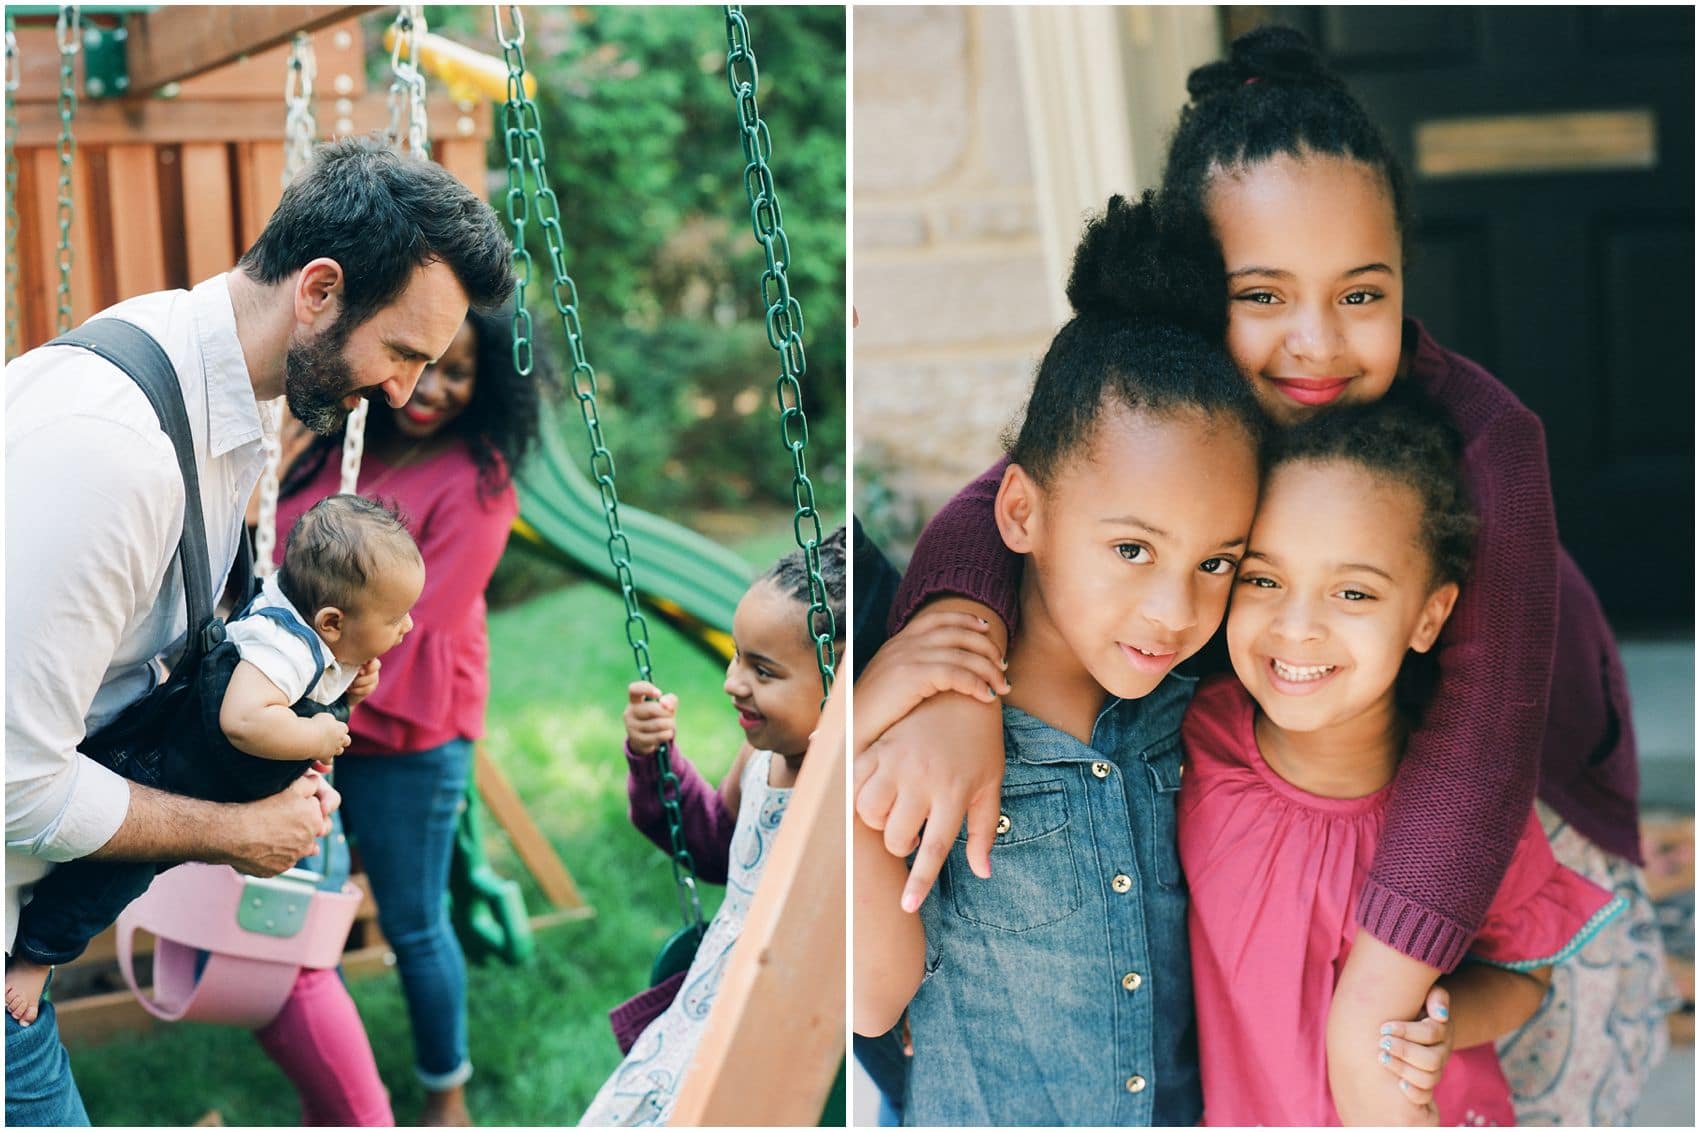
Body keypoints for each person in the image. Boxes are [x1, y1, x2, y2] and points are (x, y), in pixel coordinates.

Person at [855, 26, 1670, 1124]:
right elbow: (1015, 495)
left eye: (1359, 294)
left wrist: (1373, 998)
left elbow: (1479, 737)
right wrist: (950, 652)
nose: (1314, 343)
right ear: (1200, 291)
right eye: (1263, 294)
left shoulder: (1486, 439)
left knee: (1485, 1054)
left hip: (1502, 763)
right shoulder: (1182, 397)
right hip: (1296, 755)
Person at [5, 134, 512, 1127]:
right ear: (319, 291)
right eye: (403, 352)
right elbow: (13, 781)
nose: (406, 392)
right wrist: (234, 831)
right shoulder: (117, 452)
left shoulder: (205, 392)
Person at [854, 196, 1267, 1125]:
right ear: (1021, 515)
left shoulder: (1196, 715)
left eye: (1216, 563)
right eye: (1132, 550)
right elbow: (871, 998)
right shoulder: (926, 742)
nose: (1176, 609)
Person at [1180, 391, 1623, 1125]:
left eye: (1352, 592)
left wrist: (1445, 1025)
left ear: (1428, 617)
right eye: (1263, 579)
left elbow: (1522, 972)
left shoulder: (1460, 815)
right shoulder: (1194, 743)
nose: (1297, 627)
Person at [268, 303, 548, 1125]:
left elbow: (415, 629)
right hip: (299, 717)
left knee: (413, 920)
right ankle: (331, 1085)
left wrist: (289, 702)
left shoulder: (478, 481)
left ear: (489, 386)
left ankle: (445, 1097)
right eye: (428, 364)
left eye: (463, 372)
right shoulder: (339, 446)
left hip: (403, 733)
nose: (437, 388)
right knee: (293, 911)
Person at [5, 495, 425, 1027]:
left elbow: (307, 692)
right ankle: (34, 956)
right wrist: (315, 732)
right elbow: (244, 721)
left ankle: (33, 918)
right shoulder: (282, 649)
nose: (408, 626)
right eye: (395, 617)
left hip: (196, 779)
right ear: (332, 622)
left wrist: (347, 695)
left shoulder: (309, 632)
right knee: (106, 880)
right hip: (169, 775)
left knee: (92, 869)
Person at [579, 529, 848, 1127]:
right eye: (736, 655)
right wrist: (655, 759)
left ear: (840, 687)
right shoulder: (760, 760)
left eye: (764, 671)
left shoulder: (846, 794)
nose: (733, 681)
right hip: (701, 1011)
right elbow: (710, 845)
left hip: (772, 1029)